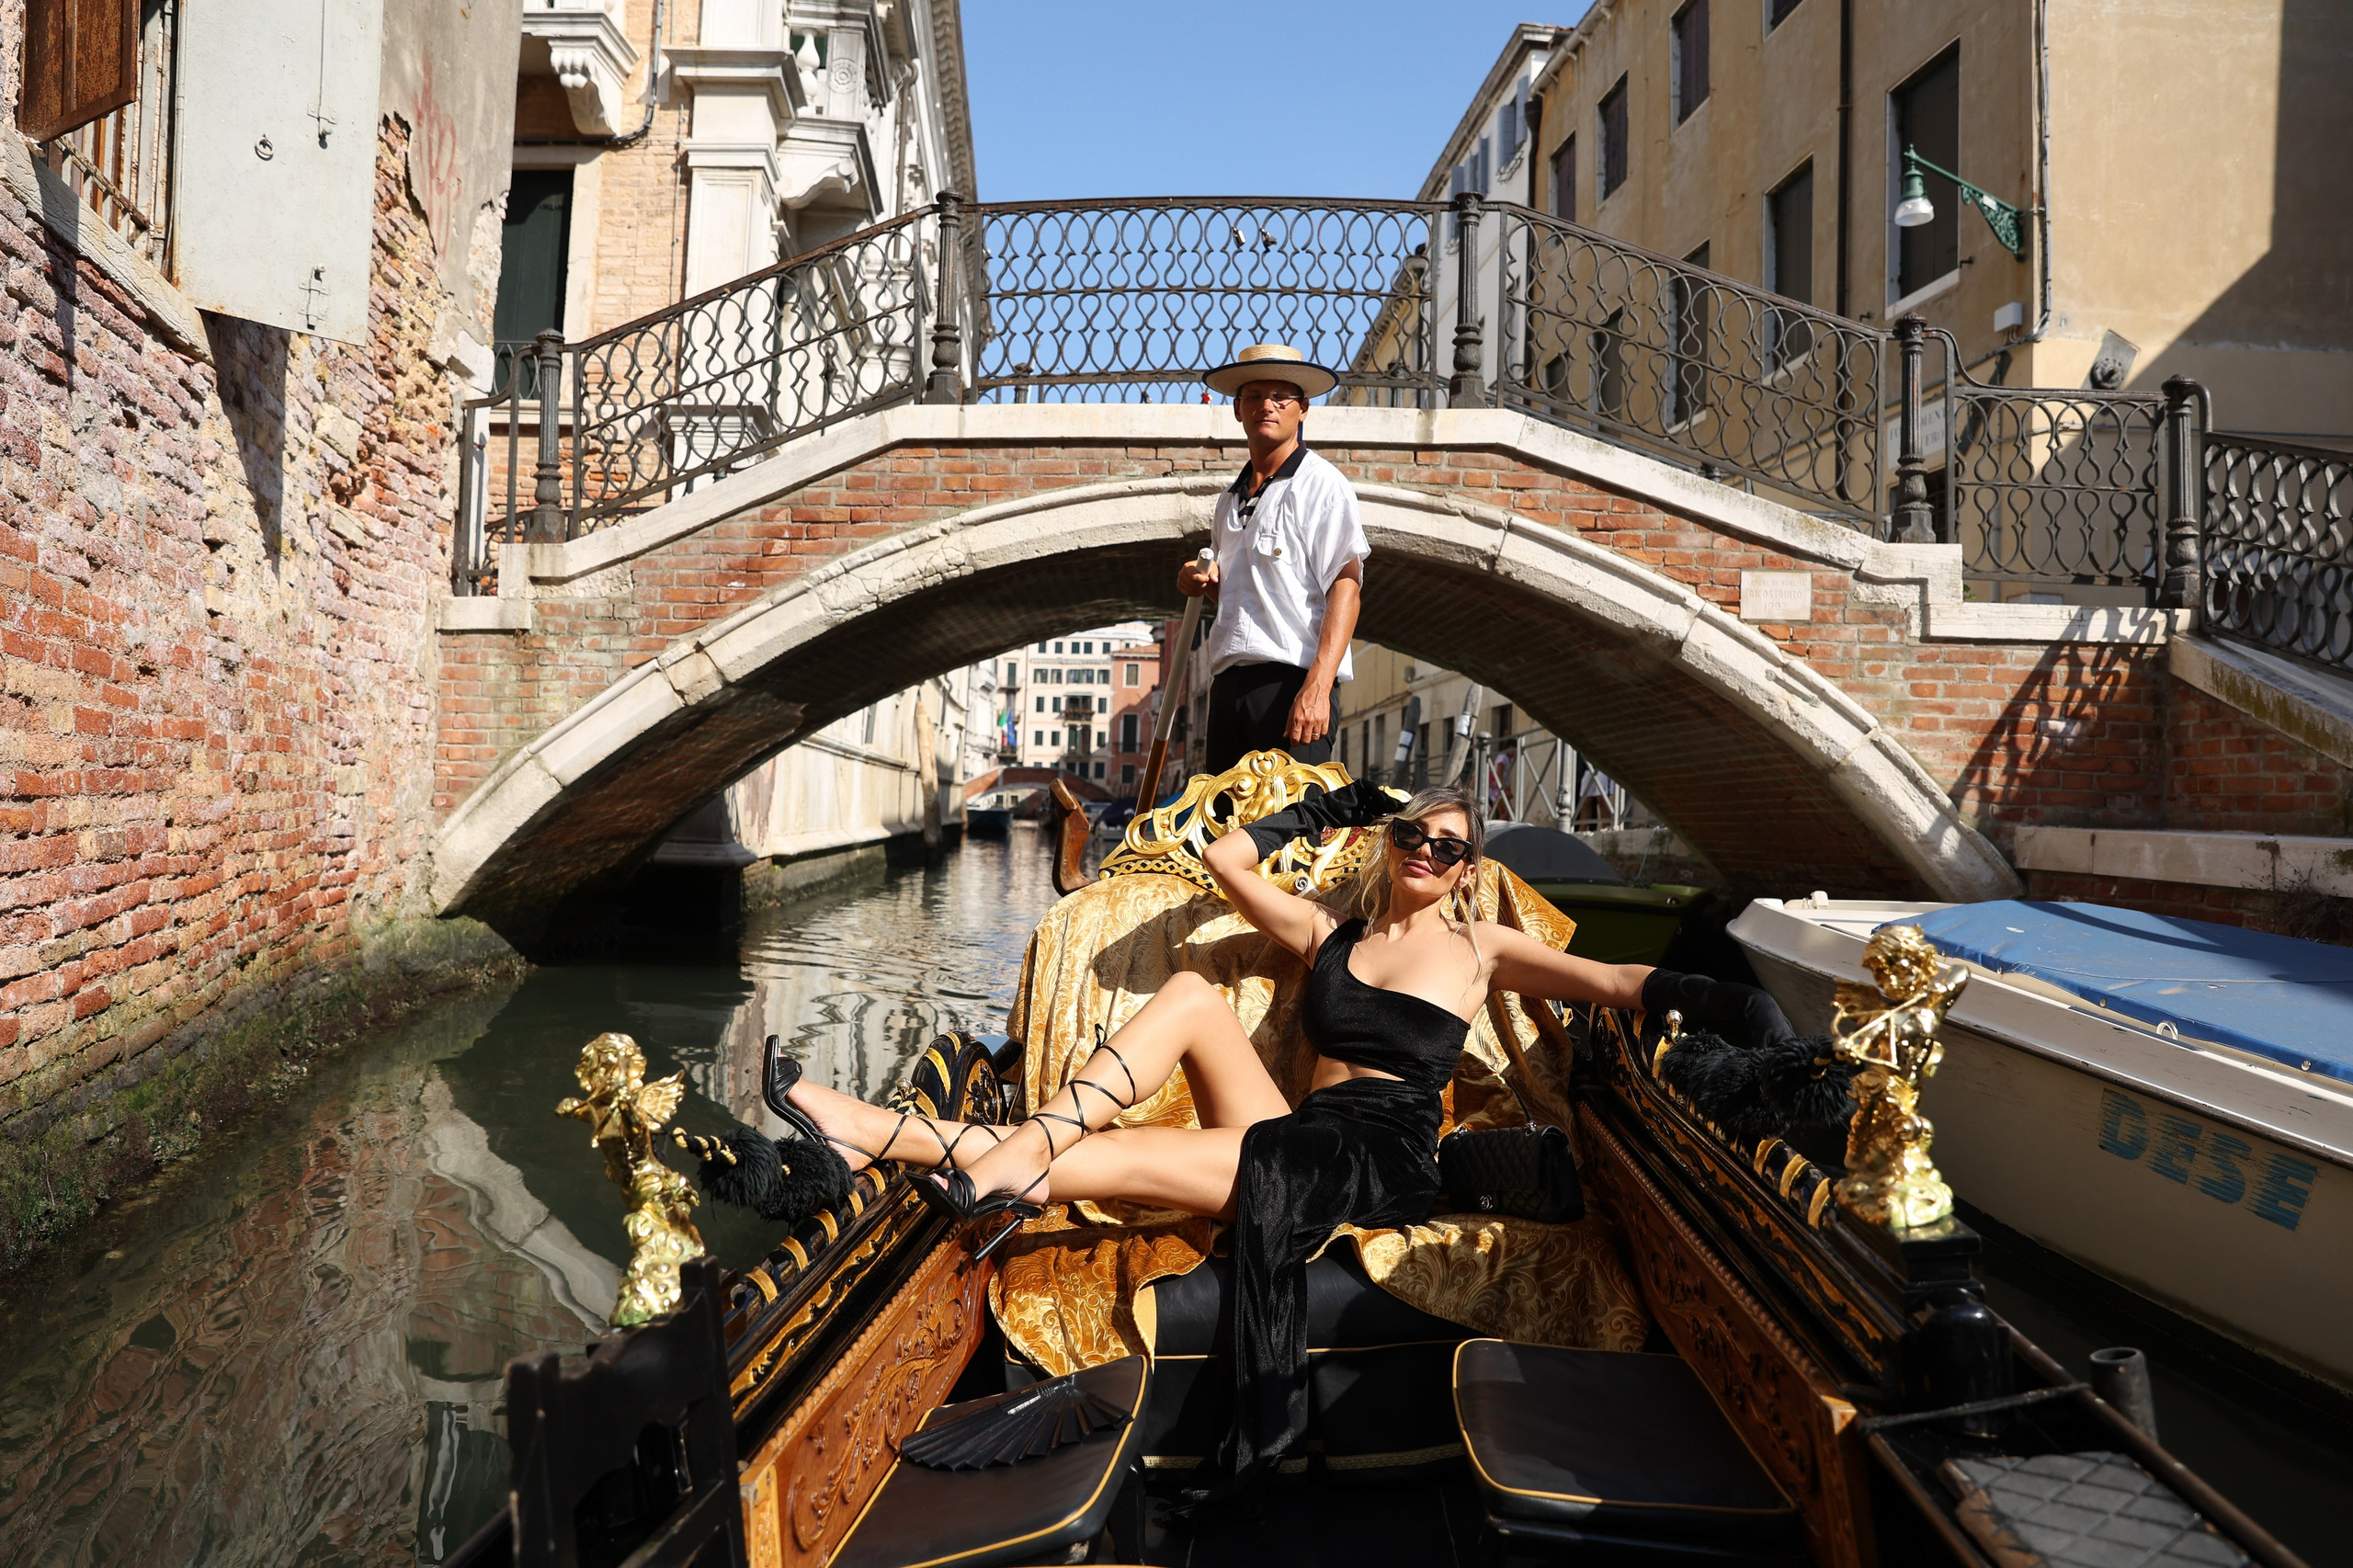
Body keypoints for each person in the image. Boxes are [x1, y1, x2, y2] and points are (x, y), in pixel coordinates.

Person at [775, 782, 1794, 1498]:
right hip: (1306, 1133)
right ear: (1391, 841)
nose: (1430, 853)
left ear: (1466, 865)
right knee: (1186, 993)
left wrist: (1742, 1009)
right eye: (1416, 834)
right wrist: (1330, 808)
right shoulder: (1329, 937)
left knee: (1116, 1159)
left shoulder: (1481, 946)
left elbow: (1618, 983)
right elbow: (1225, 859)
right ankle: (970, 1145)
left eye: (1450, 845)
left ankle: (905, 1137)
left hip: (1380, 1162)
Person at [1179, 343, 1367, 771]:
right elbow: (1247, 596)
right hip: (1228, 687)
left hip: (1293, 685)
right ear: (1237, 409)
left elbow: (1346, 586)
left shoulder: (1323, 485)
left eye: (1281, 397)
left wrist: (1318, 685)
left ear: (1302, 408)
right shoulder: (1228, 502)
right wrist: (1200, 582)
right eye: (1255, 396)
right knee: (1223, 830)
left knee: (1291, 832)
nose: (1267, 406)